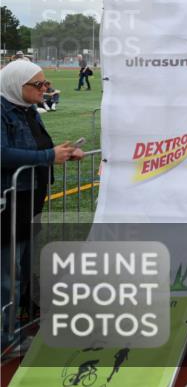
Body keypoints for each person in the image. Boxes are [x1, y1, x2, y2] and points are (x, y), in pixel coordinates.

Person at [1, 59, 84, 351]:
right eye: (38, 84)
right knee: (7, 266)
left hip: (30, 193)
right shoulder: (3, 110)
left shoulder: (27, 110)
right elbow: (2, 153)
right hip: (8, 198)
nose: (45, 89)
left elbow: (35, 146)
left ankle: (20, 319)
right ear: (15, 85)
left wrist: (62, 153)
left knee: (23, 260)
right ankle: (6, 337)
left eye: (45, 83)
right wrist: (48, 156)